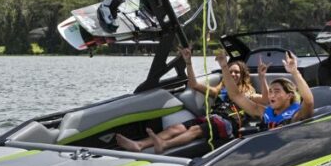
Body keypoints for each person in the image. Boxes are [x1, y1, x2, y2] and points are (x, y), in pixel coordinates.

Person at [112, 47, 262, 154]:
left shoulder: (248, 93)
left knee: (195, 130)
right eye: (231, 72)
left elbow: (264, 101)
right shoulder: (218, 91)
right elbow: (194, 85)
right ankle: (139, 144)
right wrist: (188, 62)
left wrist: (262, 79)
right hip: (211, 118)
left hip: (227, 124)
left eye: (237, 72)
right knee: (175, 128)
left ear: (243, 76)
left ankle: (164, 145)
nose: (234, 74)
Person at [222, 50, 316, 129]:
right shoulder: (263, 112)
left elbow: (309, 101)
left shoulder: (296, 115)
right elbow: (236, 96)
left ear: (289, 95)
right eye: (270, 91)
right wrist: (224, 67)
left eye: (277, 91)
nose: (272, 95)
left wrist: (295, 72)